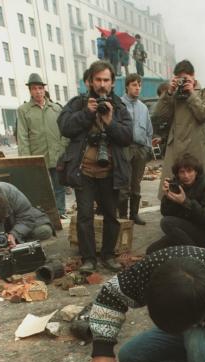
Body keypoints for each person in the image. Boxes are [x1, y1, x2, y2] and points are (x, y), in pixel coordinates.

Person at [57, 60, 132, 274]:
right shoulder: (77, 103)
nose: (101, 84)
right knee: (84, 217)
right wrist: (86, 114)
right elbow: (64, 127)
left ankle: (108, 254)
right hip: (85, 172)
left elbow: (127, 137)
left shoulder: (118, 107)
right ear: (90, 81)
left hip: (110, 172)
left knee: (111, 215)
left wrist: (109, 121)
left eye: (106, 80)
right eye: (97, 79)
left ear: (112, 83)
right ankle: (88, 259)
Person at [153, 59, 205, 198]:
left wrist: (191, 94)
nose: (182, 82)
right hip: (176, 147)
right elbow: (159, 115)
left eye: (185, 78)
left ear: (193, 76)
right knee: (173, 187)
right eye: (179, 79)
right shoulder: (173, 95)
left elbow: (204, 115)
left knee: (200, 188)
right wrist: (169, 93)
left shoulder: (204, 93)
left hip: (196, 146)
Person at [16, 73, 67, 219]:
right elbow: (22, 136)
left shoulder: (56, 108)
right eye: (34, 88)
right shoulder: (24, 110)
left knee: (59, 186)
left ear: (44, 89)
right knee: (41, 188)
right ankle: (43, 215)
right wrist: (27, 160)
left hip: (56, 156)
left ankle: (61, 212)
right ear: (30, 91)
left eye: (40, 88)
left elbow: (65, 132)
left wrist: (63, 149)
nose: (38, 91)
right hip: (38, 157)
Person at [146, 153, 205, 254]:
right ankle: (185, 253)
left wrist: (185, 202)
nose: (186, 176)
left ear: (196, 171)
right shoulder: (178, 183)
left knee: (166, 222)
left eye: (189, 171)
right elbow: (165, 212)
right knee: (151, 251)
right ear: (177, 174)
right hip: (183, 232)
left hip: (203, 235)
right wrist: (167, 196)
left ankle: (197, 255)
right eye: (182, 172)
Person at [120, 73, 153, 225]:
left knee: (136, 183)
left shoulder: (143, 107)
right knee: (123, 183)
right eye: (134, 84)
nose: (137, 88)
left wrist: (146, 148)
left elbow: (149, 131)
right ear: (127, 86)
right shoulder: (119, 104)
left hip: (140, 149)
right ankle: (122, 216)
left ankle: (134, 215)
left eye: (139, 85)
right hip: (125, 148)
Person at [0, 181, 54, 245]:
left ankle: (17, 243)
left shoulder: (10, 192)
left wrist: (14, 234)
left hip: (15, 224)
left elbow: (26, 216)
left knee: (44, 231)